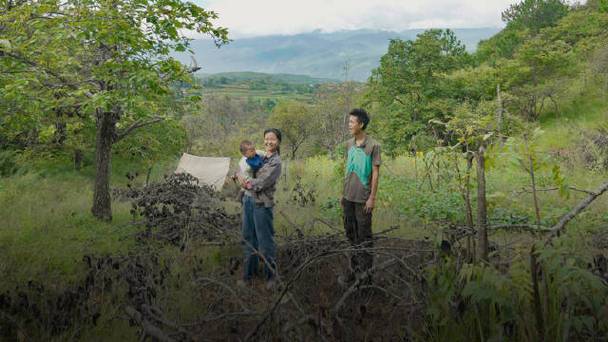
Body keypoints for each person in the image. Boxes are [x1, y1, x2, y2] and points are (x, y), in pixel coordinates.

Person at [237, 129, 282, 289]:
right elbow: (242, 167)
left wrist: (246, 183)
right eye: (266, 139)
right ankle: (249, 274)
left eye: (273, 139)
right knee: (249, 237)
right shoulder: (261, 156)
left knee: (265, 241)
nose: (269, 142)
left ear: (278, 142)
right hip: (248, 200)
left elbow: (262, 182)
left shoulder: (275, 162)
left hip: (262, 204)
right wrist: (239, 176)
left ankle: (272, 277)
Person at [340, 108, 381, 284]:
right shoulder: (349, 144)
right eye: (349, 122)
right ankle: (353, 271)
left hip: (363, 199)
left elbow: (376, 173)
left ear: (361, 124)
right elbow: (348, 170)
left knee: (364, 238)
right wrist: (343, 194)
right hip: (348, 198)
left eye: (352, 122)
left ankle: (366, 278)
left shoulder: (373, 146)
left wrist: (372, 198)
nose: (349, 125)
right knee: (351, 235)